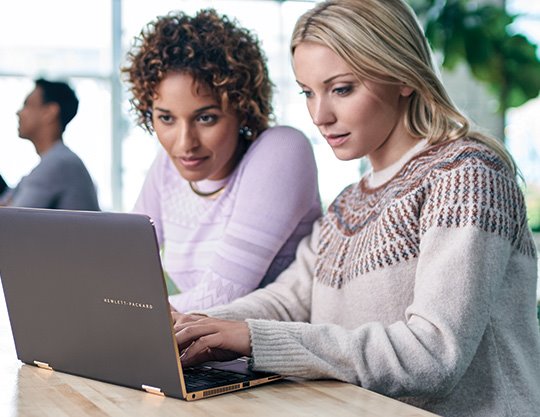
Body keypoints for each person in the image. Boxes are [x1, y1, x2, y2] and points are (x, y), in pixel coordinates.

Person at [173, 1, 540, 416]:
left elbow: (433, 353)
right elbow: (290, 299)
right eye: (308, 92)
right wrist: (191, 326)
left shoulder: (465, 175)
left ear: (401, 74)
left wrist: (253, 338)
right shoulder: (349, 201)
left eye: (342, 89)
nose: (320, 115)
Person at [122, 9, 321, 312]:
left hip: (269, 354)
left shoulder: (281, 150)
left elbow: (217, 301)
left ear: (243, 108)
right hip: (201, 350)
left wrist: (117, 309)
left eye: (206, 118)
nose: (185, 143)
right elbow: (121, 269)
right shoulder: (167, 166)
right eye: (166, 118)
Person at [1, 79, 100, 210]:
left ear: (50, 112)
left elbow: (11, 220)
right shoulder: (56, 161)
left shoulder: (59, 163)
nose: (19, 113)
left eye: (27, 105)